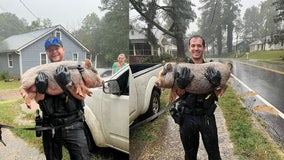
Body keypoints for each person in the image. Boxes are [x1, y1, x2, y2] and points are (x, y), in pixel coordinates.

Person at [34, 36, 89, 160]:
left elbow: (82, 96)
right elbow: (38, 100)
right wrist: (41, 90)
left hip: (73, 124)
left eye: (56, 48)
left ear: (63, 50)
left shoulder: (74, 69)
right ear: (46, 53)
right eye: (50, 50)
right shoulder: (41, 72)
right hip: (50, 126)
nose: (53, 52)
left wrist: (68, 83)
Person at [170, 35, 222, 160]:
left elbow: (219, 93)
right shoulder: (182, 69)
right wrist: (181, 86)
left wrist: (216, 84)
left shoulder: (212, 69)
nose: (196, 48)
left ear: (204, 48)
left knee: (214, 155)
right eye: (193, 45)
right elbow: (179, 94)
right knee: (190, 156)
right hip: (187, 117)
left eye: (199, 45)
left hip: (206, 117)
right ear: (189, 48)